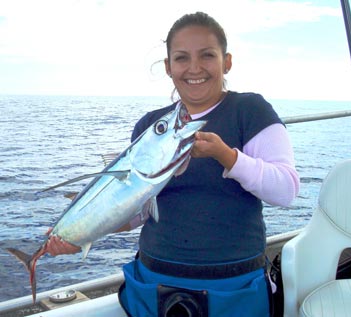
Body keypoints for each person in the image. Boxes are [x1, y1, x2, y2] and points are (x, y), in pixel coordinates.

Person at [47, 11, 299, 317]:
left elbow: (286, 190)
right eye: (181, 58)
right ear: (168, 67)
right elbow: (137, 210)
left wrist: (228, 157)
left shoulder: (250, 110)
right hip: (155, 282)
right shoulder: (151, 126)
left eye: (207, 55)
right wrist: (81, 235)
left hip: (232, 286)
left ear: (227, 61)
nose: (194, 68)